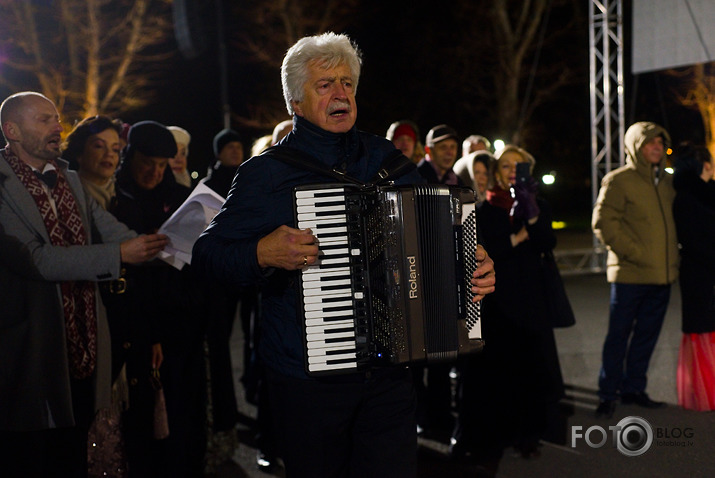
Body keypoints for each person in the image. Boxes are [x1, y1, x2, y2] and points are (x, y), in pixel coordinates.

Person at [192, 32, 495, 478]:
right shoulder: (266, 174)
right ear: (295, 101)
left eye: (347, 83)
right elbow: (206, 256)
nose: (341, 94)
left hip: (391, 375)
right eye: (325, 85)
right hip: (308, 381)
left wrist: (472, 263)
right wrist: (260, 252)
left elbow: (439, 225)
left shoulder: (384, 158)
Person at [0, 91, 168, 477]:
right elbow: (36, 259)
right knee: (28, 457)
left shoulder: (70, 179)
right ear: (12, 130)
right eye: (43, 120)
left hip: (84, 346)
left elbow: (113, 232)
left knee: (71, 454)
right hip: (30, 350)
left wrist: (166, 244)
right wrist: (121, 255)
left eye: (56, 118)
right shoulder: (2, 183)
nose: (55, 126)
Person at [451, 145, 564, 475]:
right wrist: (517, 239)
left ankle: (528, 436)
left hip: (531, 300)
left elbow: (546, 242)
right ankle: (493, 440)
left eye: (520, 165)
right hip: (499, 303)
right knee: (496, 375)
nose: (513, 170)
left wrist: (529, 214)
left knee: (530, 372)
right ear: (498, 171)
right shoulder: (488, 207)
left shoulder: (536, 205)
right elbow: (490, 250)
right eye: (506, 165)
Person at [110, 120, 207, 477]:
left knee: (182, 410)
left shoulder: (180, 198)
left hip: (181, 323)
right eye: (147, 162)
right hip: (133, 323)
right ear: (131, 156)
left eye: (162, 165)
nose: (154, 172)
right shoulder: (114, 197)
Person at [592, 121, 678, 418]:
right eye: (649, 142)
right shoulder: (619, 180)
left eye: (659, 142)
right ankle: (607, 393)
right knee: (618, 336)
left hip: (662, 276)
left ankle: (634, 389)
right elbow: (603, 223)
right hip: (630, 276)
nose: (656, 147)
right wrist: (636, 254)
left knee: (647, 336)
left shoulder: (665, 183)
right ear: (635, 147)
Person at [671, 143, 715, 411]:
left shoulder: (694, 195)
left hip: (701, 271)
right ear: (704, 165)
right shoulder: (687, 198)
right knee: (703, 329)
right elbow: (692, 241)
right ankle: (706, 391)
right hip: (700, 274)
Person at [62, 115, 123, 210]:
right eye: (99, 146)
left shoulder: (128, 203)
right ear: (79, 152)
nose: (109, 154)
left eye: (115, 149)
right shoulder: (63, 197)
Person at [203, 128, 245, 198]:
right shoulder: (208, 186)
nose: (236, 151)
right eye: (230, 147)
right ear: (219, 153)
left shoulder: (249, 181)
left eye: (238, 147)